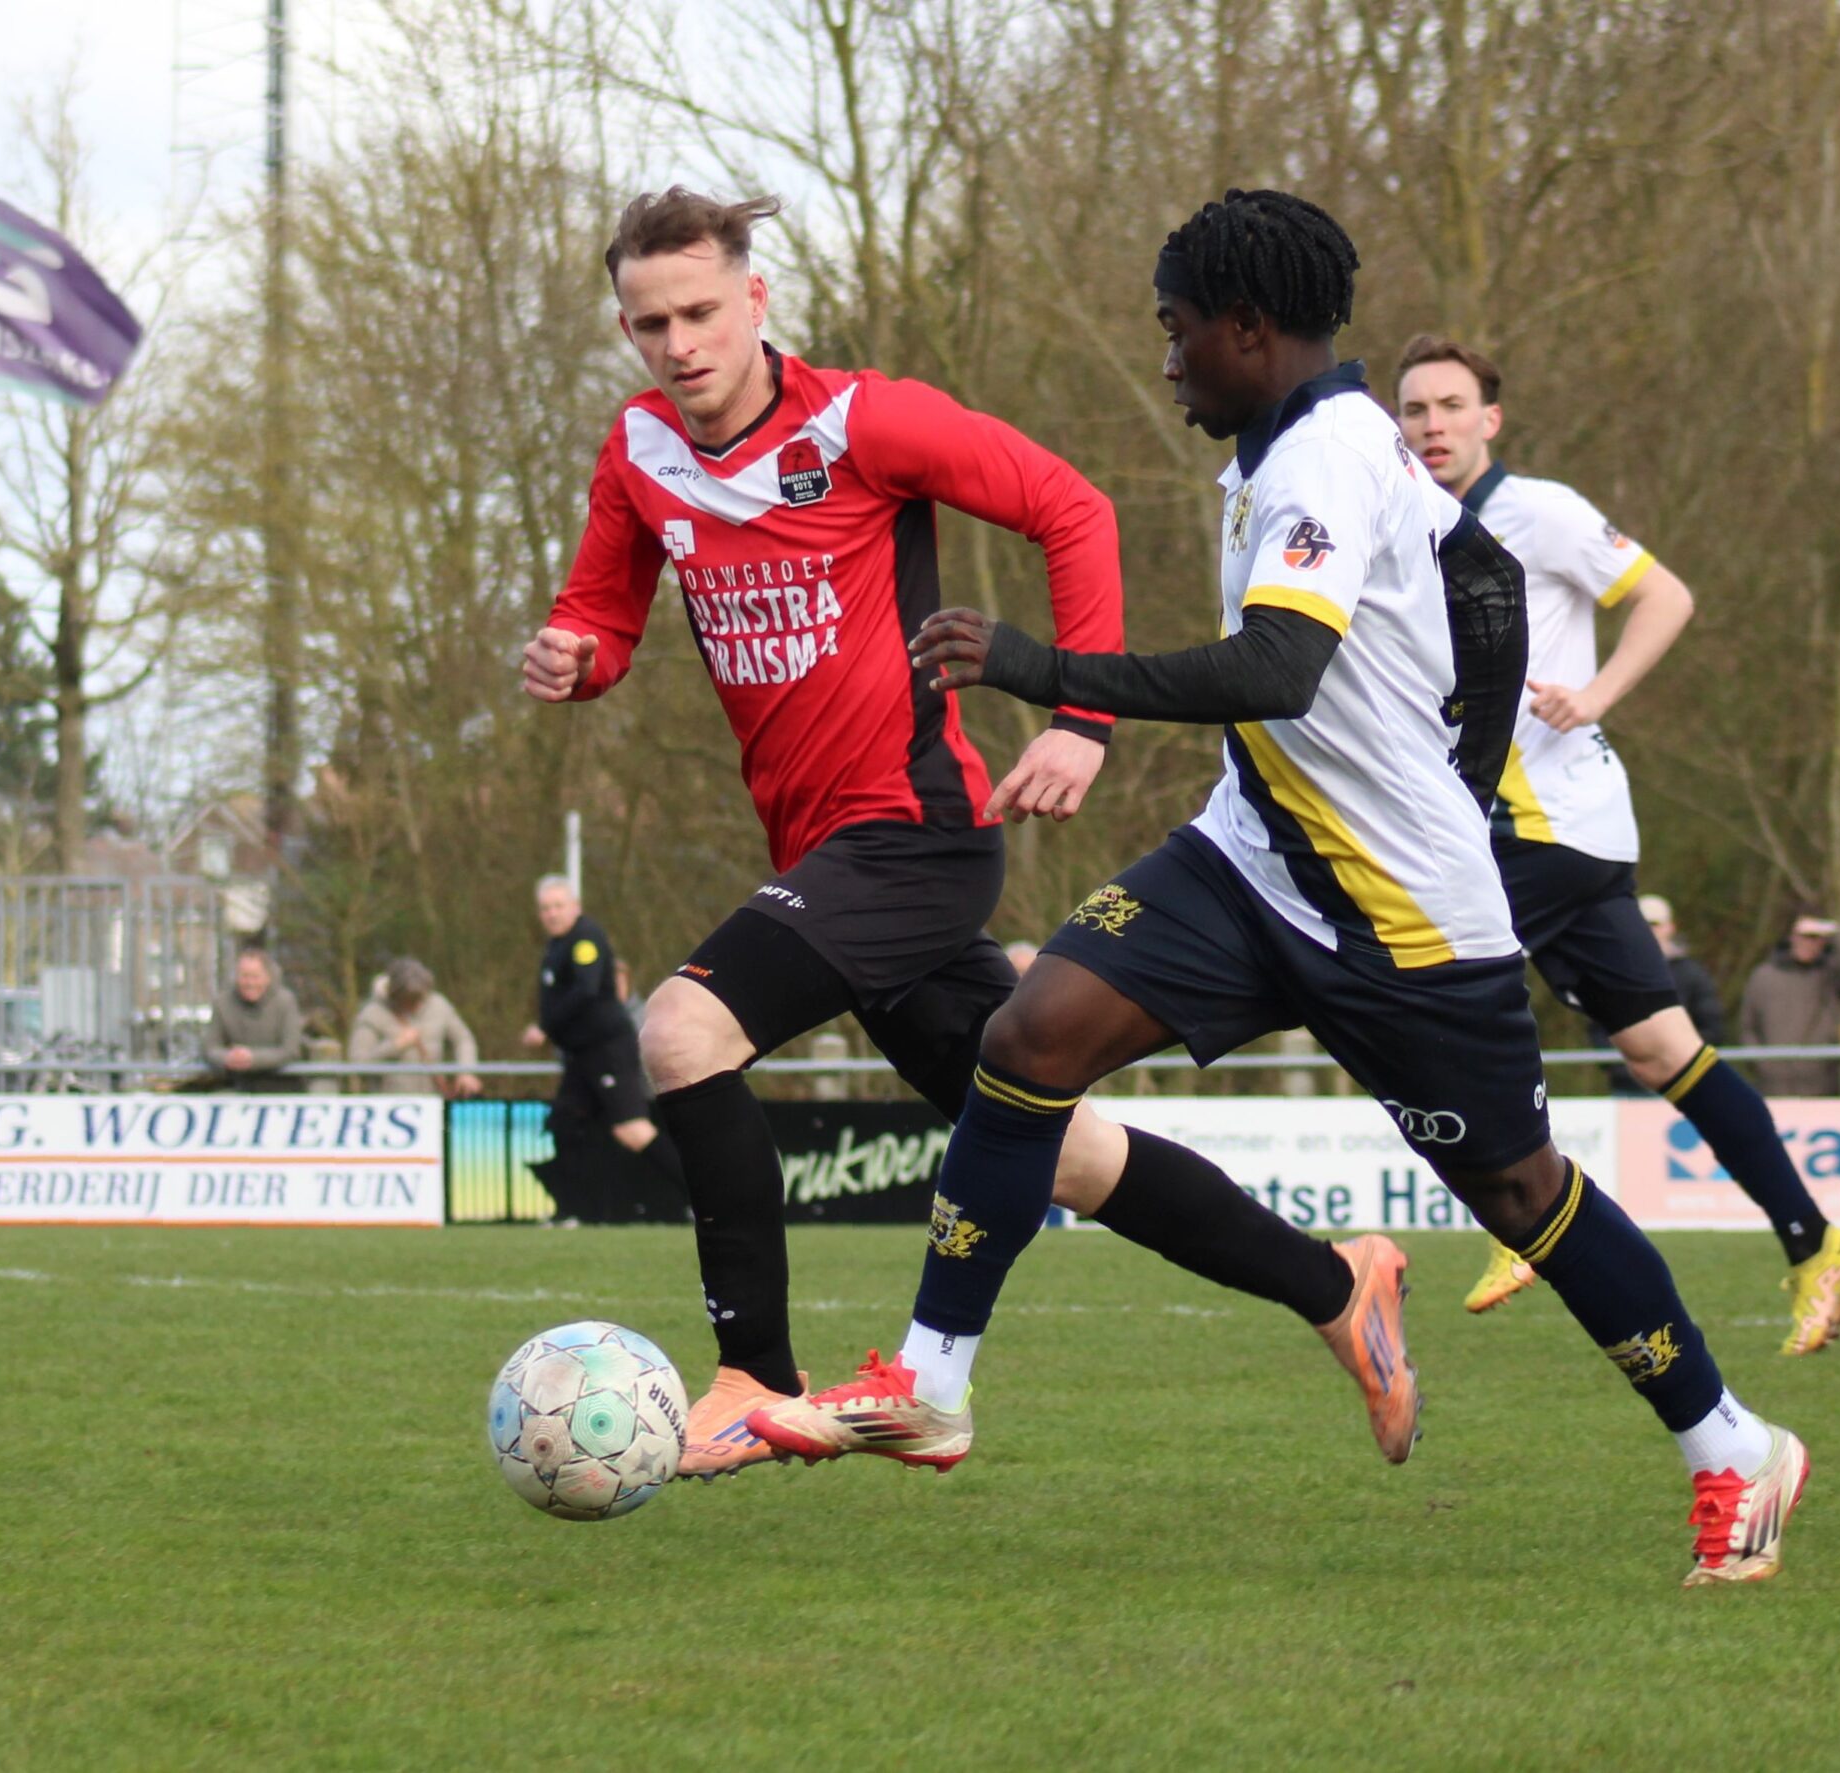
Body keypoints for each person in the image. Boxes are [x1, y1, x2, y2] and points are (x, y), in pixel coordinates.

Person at [752, 190, 1808, 1587]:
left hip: (1402, 910)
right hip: (1251, 857)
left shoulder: (1321, 458)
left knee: (1519, 1191)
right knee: (1027, 1039)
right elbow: (1481, 581)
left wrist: (1046, 668)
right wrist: (1467, 758)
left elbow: (1277, 671)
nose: (1168, 356)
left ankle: (1734, 1442)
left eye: (1177, 330)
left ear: (1249, 328)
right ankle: (933, 1383)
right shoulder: (1303, 447)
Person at [525, 186, 1409, 1480]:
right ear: (625, 328)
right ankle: (1338, 1284)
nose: (680, 342)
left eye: (703, 310)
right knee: (1071, 1146)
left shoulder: (867, 418)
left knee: (681, 1027)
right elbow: (602, 617)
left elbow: (1072, 507)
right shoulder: (638, 454)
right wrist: (575, 655)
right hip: (821, 855)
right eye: (651, 323)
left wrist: (1082, 714)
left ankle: (751, 1373)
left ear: (756, 300)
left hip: (913, 832)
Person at [1392, 334, 1840, 1355]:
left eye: (1448, 405)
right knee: (1661, 1048)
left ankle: (1522, 1207)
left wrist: (1596, 695)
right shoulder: (1414, 527)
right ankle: (1813, 1238)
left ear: (1490, 419)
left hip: (1545, 824)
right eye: (1414, 410)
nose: (1430, 424)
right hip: (1563, 829)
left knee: (1418, 988)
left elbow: (1667, 596)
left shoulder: (1541, 511)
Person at [520, 877, 672, 1170]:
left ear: (575, 907)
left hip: (606, 1049)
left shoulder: (584, 939)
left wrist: (544, 1027)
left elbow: (585, 989)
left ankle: (701, 1197)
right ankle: (572, 1210)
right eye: (545, 908)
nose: (551, 913)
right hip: (580, 1054)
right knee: (563, 1123)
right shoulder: (556, 945)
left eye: (558, 906)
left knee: (632, 1130)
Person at [1589, 895, 1724, 1094]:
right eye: (1641, 923)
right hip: (1629, 1087)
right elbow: (1598, 1027)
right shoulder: (1611, 972)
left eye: (1654, 924)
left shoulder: (1692, 974)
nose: (1648, 930)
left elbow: (1711, 1027)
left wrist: (1679, 1063)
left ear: (1670, 927)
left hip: (1683, 1087)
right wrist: (1621, 1066)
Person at [1740, 912, 1840, 1097]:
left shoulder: (1831, 976)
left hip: (1821, 1085)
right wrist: (1761, 1065)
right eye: (1806, 937)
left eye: (1817, 938)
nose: (1810, 943)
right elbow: (1748, 1027)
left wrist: (1837, 931)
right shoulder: (1763, 976)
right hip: (1773, 1086)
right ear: (1793, 937)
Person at [348, 957, 482, 1098]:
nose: (416, 1005)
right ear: (394, 995)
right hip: (389, 1106)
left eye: (420, 999)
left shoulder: (439, 1004)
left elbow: (463, 1039)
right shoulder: (372, 1013)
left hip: (433, 1102)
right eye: (409, 1000)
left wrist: (466, 1072)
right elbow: (359, 1064)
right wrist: (395, 1046)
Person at [202, 944, 304, 1092]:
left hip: (280, 1086)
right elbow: (210, 1047)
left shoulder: (286, 1002)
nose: (250, 983)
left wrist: (252, 1058)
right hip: (235, 1084)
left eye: (255, 977)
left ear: (267, 977)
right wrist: (227, 1057)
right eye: (245, 976)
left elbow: (291, 1049)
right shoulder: (222, 1003)